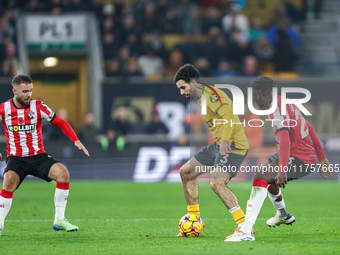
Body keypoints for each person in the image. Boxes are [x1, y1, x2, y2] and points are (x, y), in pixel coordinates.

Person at [226, 76, 332, 242]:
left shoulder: (275, 109)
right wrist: (322, 157)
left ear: (261, 94)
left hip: (300, 158)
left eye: (255, 94)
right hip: (300, 155)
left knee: (260, 177)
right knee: (268, 180)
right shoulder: (286, 101)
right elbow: (309, 127)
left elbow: (284, 140)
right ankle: (283, 215)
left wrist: (282, 169)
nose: (254, 98)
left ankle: (245, 231)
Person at [0, 75, 90, 236]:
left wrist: (75, 140)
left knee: (63, 173)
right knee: (8, 182)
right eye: (25, 91)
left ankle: (59, 220)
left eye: (31, 90)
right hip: (16, 158)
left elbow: (60, 122)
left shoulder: (38, 106)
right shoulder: (3, 109)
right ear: (14, 91)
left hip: (38, 157)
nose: (29, 95)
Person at [174, 64, 253, 238]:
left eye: (183, 87)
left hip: (233, 145)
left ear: (193, 83)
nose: (181, 92)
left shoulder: (213, 96)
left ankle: (245, 227)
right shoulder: (201, 97)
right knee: (186, 172)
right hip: (219, 144)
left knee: (216, 183)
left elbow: (228, 118)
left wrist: (225, 142)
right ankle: (193, 220)